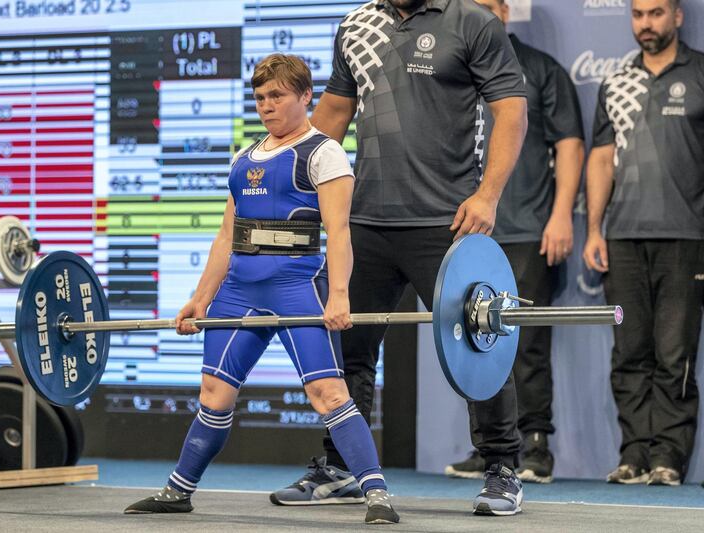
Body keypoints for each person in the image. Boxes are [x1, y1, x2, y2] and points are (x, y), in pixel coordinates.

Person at [270, 0, 529, 516]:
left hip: (446, 219)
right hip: (366, 220)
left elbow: (510, 111)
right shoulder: (356, 25)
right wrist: (290, 185)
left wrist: (488, 195)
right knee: (348, 347)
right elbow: (335, 114)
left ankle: (502, 468)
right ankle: (343, 466)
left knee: (479, 345)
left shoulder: (472, 22)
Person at [123, 53, 400, 524]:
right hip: (240, 290)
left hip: (297, 286)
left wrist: (339, 296)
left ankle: (376, 495)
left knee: (328, 394)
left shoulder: (323, 152)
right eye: (260, 97)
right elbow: (226, 236)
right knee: (213, 391)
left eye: (277, 95)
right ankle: (178, 491)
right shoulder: (243, 157)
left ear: (305, 96)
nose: (267, 106)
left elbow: (340, 231)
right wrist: (201, 298)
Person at [446, 0, 585, 484]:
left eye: (489, 6)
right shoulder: (453, 66)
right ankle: (490, 449)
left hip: (528, 229)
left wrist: (562, 214)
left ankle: (537, 447)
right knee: (473, 344)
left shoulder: (542, 69)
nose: (483, 14)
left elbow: (569, 143)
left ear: (506, 10)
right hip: (469, 230)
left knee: (526, 344)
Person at [584, 0, 704, 486]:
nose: (646, 24)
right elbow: (600, 157)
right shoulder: (617, 80)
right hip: (623, 239)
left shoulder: (699, 73)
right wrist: (594, 227)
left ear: (677, 16)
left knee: (673, 354)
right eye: (637, 14)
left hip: (687, 238)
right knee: (629, 352)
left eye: (656, 13)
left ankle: (669, 459)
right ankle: (633, 455)